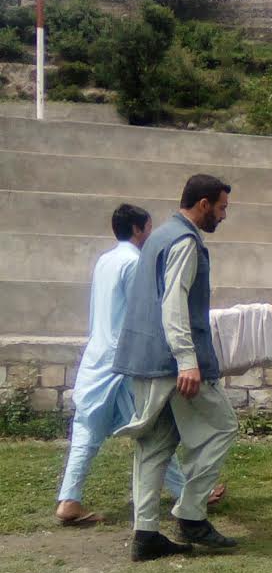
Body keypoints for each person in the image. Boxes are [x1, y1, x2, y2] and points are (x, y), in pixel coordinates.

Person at [114, 175, 239, 562]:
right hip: (173, 363)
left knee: (155, 444)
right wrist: (187, 360)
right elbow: (173, 303)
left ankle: (146, 534)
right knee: (223, 427)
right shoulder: (184, 241)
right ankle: (191, 513)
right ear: (203, 204)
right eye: (221, 208)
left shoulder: (159, 237)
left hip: (144, 359)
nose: (223, 216)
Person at [53, 205, 186, 525]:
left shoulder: (105, 261)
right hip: (122, 360)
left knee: (87, 429)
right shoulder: (134, 263)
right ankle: (188, 493)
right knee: (150, 427)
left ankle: (69, 499)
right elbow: (143, 314)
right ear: (138, 230)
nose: (151, 234)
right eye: (149, 228)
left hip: (97, 357)